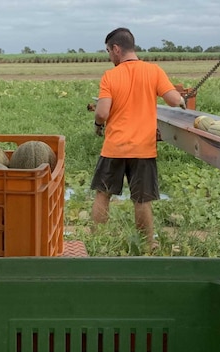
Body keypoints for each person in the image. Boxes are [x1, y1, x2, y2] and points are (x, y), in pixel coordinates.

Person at [91, 27, 186, 251]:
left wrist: (97, 125)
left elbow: (102, 113)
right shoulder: (154, 71)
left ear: (116, 49)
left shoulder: (110, 76)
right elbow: (174, 100)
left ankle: (98, 241)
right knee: (142, 200)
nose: (109, 56)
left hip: (114, 147)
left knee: (103, 194)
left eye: (108, 51)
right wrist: (183, 100)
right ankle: (147, 244)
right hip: (144, 149)